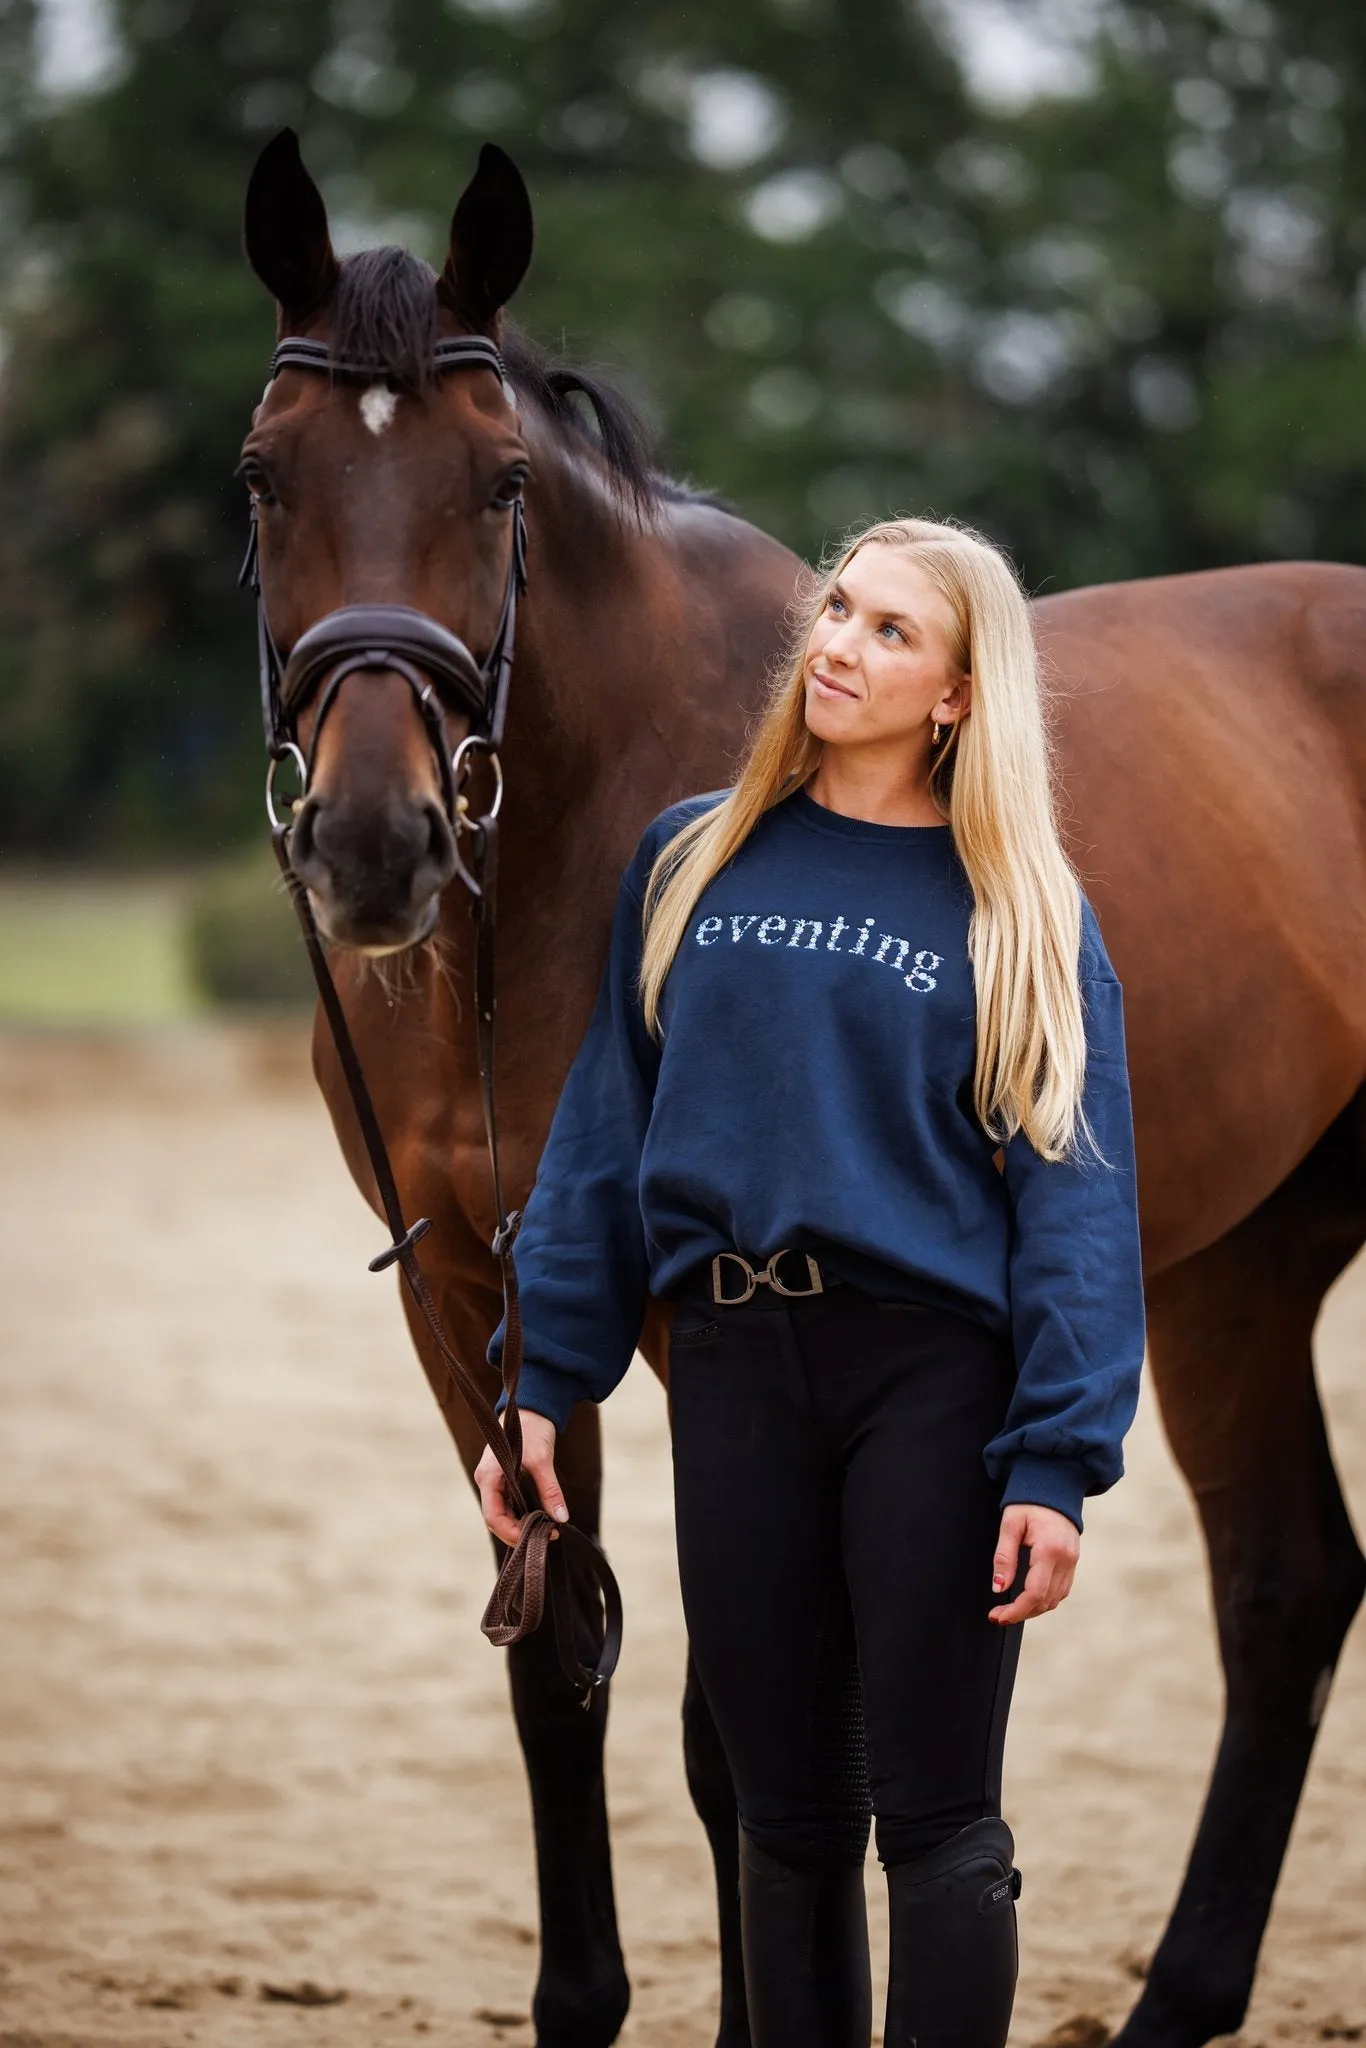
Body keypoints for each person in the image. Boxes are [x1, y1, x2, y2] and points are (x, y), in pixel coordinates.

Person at [475, 515, 1145, 2048]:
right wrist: (538, 1386)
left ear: (961, 694)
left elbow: (1077, 1205)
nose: (839, 644)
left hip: (930, 1381)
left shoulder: (1022, 912)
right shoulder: (690, 853)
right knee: (780, 1817)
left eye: (893, 631)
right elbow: (596, 1152)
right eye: (839, 609)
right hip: (728, 1371)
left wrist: (1055, 1456)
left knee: (933, 1819)